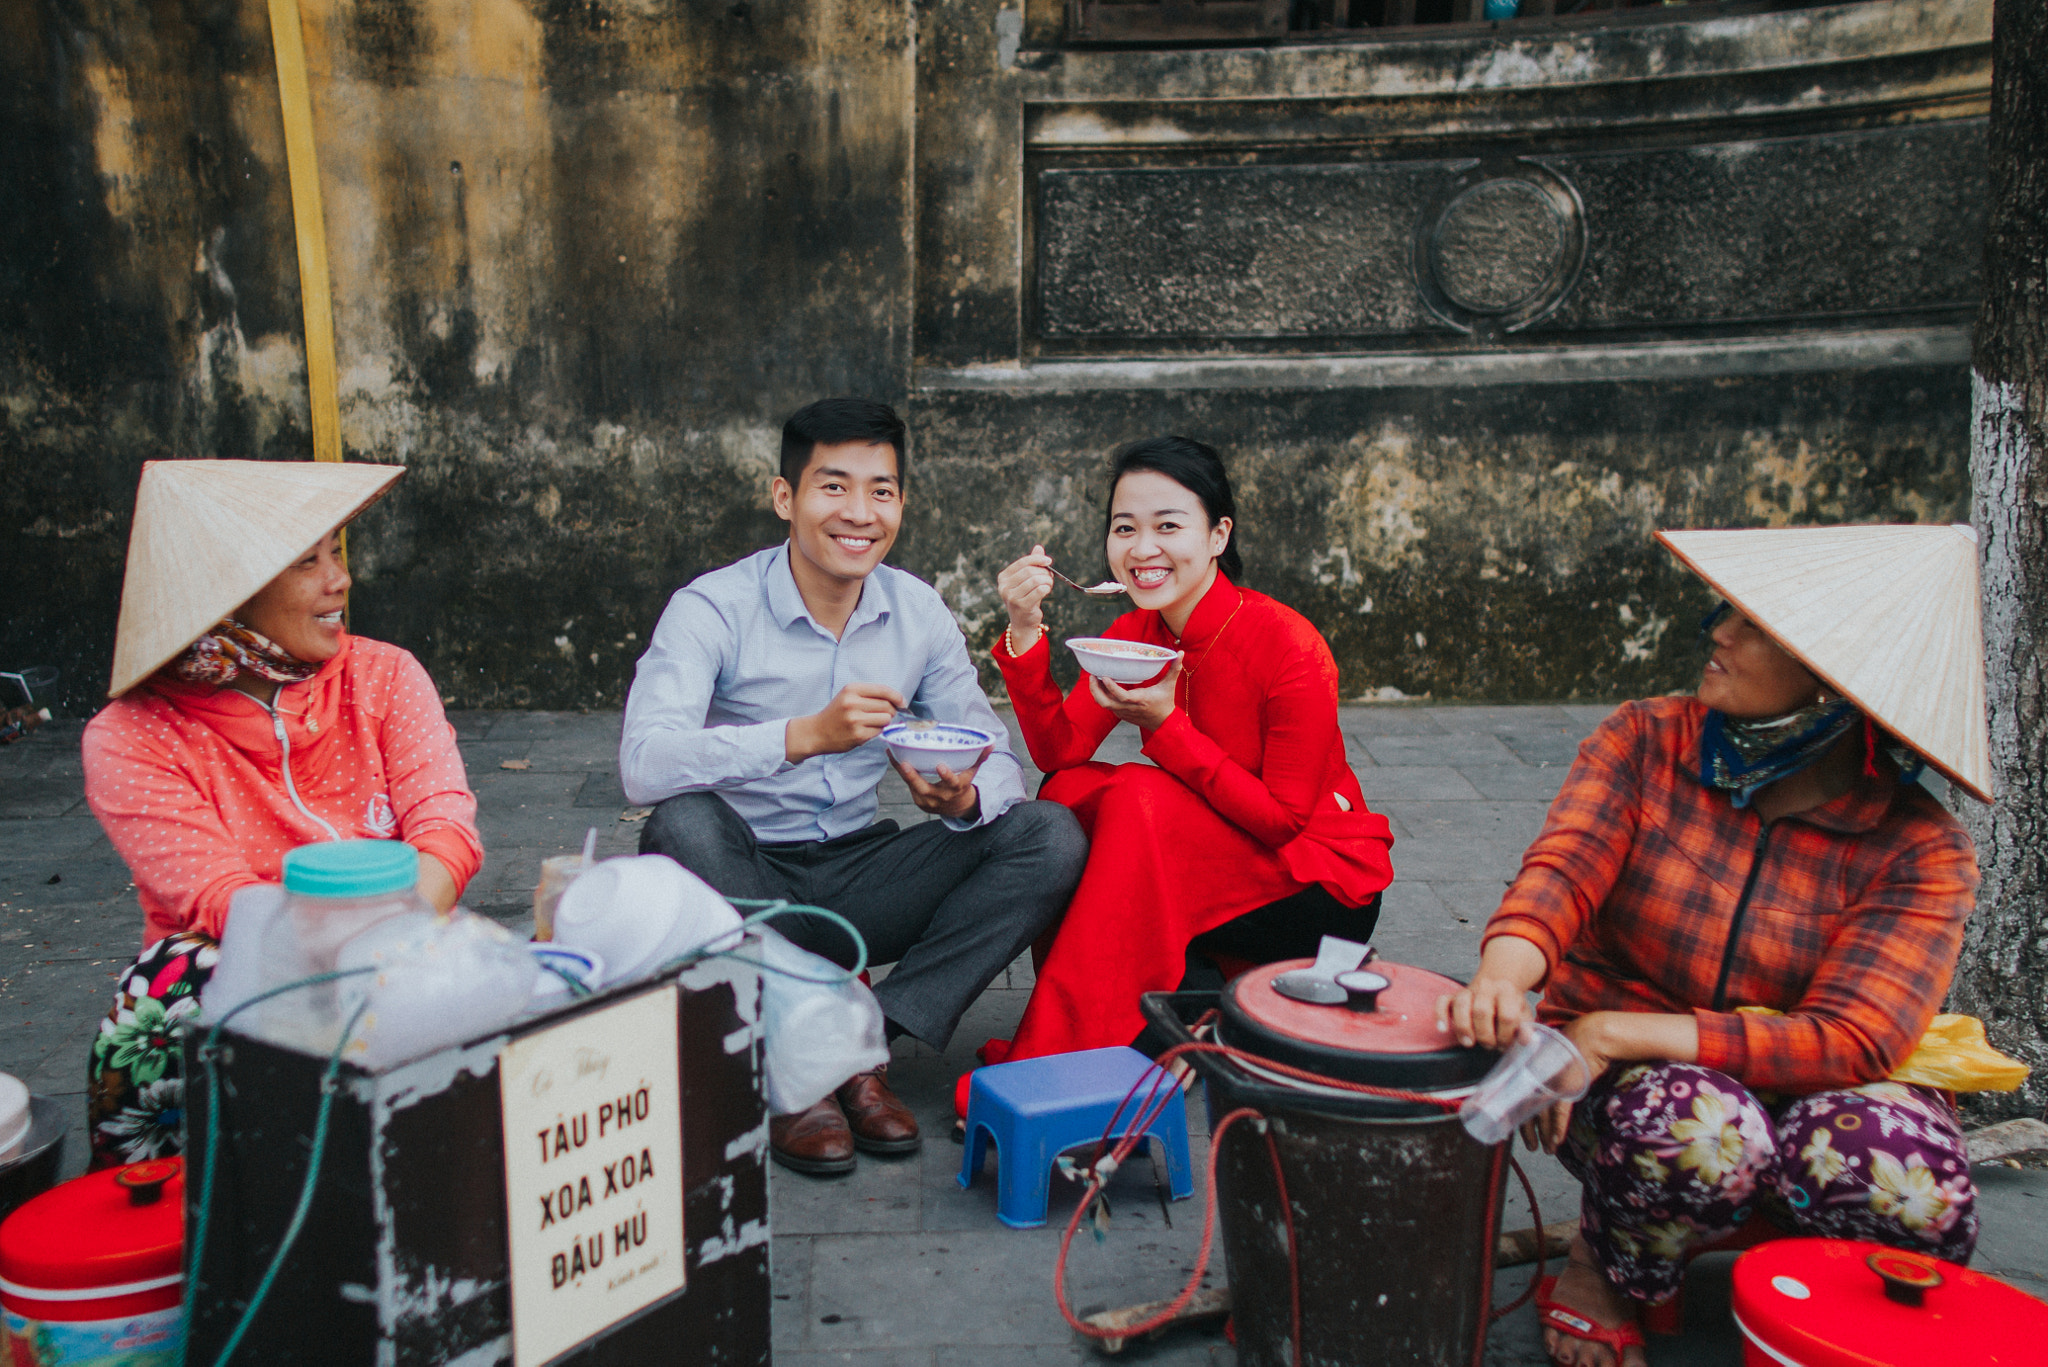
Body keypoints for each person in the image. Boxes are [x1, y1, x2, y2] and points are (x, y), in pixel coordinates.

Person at [1439, 524, 1991, 1367]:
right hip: (1646, 1097)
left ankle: (1822, 1309)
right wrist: (1505, 975)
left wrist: (1610, 1032)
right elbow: (1563, 872)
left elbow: (1856, 1039)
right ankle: (1604, 1262)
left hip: (1813, 1081)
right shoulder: (1646, 740)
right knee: (1698, 1131)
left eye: (1755, 625)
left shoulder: (1921, 848)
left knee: (1915, 1186)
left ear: (1835, 684)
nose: (1717, 632)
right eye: (1726, 612)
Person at [622, 396, 1088, 1177]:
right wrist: (802, 736)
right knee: (681, 826)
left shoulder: (915, 610)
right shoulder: (713, 608)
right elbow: (643, 760)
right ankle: (801, 1057)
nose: (859, 513)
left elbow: (993, 751)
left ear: (901, 502)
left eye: (881, 490)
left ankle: (858, 1038)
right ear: (785, 498)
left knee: (1048, 833)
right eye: (833, 487)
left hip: (861, 875)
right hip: (746, 883)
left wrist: (964, 798)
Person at [81, 459, 483, 1167]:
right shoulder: (133, 735)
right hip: (242, 984)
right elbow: (221, 900)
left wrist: (386, 957)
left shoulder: (383, 676)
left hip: (402, 956)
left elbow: (445, 831)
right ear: (229, 593)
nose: (340, 580)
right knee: (168, 987)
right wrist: (345, 974)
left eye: (337, 554)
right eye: (308, 561)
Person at [981, 435, 1394, 1080]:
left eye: (1167, 526)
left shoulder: (1291, 647)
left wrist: (1168, 728)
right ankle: (1120, 1010)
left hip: (1313, 880)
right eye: (1125, 528)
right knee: (1070, 793)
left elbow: (1283, 820)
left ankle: (1069, 1050)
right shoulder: (1136, 633)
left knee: (1138, 796)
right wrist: (1024, 628)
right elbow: (1060, 752)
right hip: (1204, 851)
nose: (1142, 550)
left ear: (1217, 535)